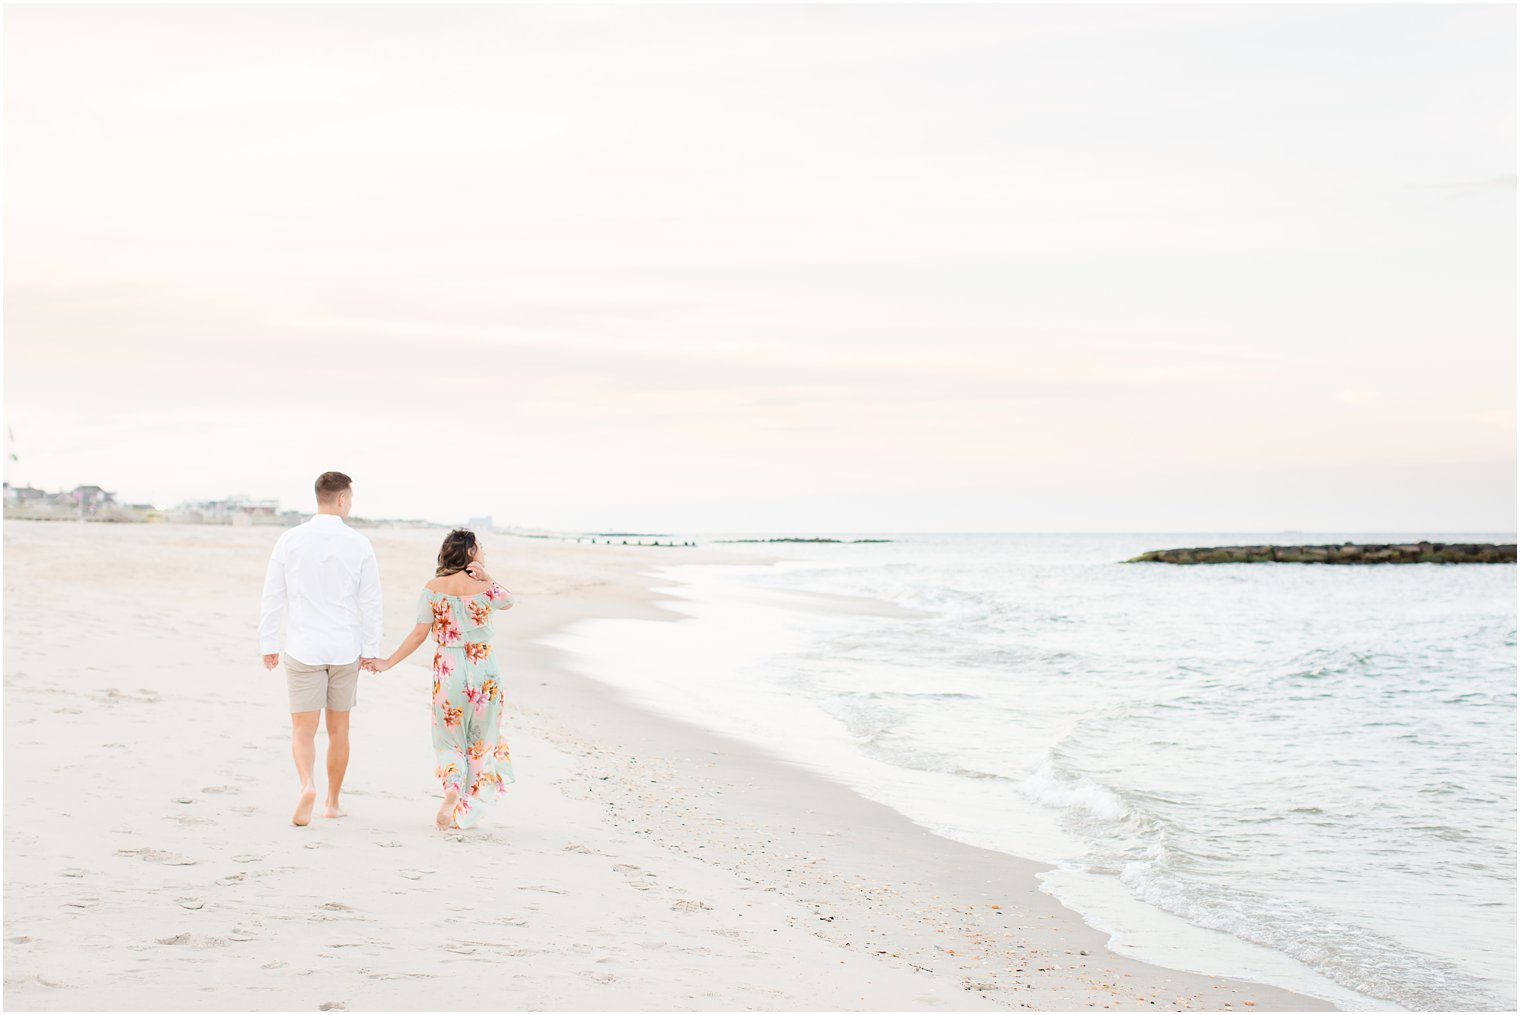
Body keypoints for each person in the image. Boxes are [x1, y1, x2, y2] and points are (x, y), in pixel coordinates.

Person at [363, 528, 516, 830]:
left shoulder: (432, 587)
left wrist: (388, 662)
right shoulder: (485, 586)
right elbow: (509, 601)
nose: (483, 550)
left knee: (450, 741)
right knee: (481, 741)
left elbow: (419, 633)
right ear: (470, 553)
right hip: (484, 669)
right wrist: (487, 577)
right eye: (480, 546)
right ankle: (466, 808)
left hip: (449, 669)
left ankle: (451, 790)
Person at [258, 471, 383, 827]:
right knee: (339, 729)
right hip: (345, 647)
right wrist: (371, 648)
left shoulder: (290, 539)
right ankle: (331, 803)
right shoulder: (359, 543)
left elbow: (273, 594)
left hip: (303, 646)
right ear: (342, 499)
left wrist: (269, 643)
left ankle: (307, 785)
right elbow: (371, 602)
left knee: (303, 729)